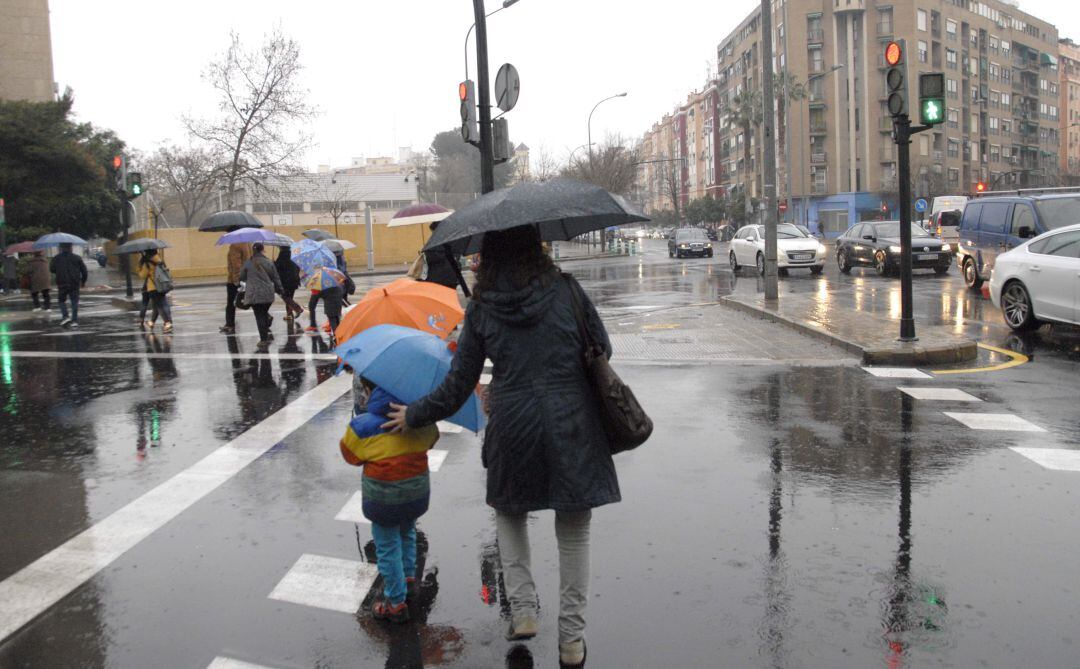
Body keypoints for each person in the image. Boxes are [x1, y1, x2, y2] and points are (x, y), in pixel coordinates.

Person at [382, 226, 618, 667]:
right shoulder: (567, 290)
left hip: (514, 423)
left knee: (510, 513)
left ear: (488, 256)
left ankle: (524, 611)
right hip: (572, 419)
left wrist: (413, 414)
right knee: (574, 528)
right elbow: (602, 346)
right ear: (536, 247)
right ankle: (571, 640)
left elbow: (457, 386)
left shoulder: (484, 307)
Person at [339, 380, 439, 624]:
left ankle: (395, 602)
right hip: (415, 494)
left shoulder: (363, 426)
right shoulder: (421, 421)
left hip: (383, 498)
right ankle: (407, 577)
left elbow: (350, 456)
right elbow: (433, 438)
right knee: (407, 531)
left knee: (387, 546)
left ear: (370, 392)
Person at [238, 242, 283, 350]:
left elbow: (242, 277)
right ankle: (267, 319)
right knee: (263, 313)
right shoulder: (268, 262)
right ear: (263, 250)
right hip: (268, 293)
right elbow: (275, 277)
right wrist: (280, 289)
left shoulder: (248, 263)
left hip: (254, 294)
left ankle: (263, 339)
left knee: (259, 316)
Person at [50, 243, 88, 328]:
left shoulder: (56, 258)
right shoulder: (77, 258)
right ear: (71, 248)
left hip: (62, 282)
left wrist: (59, 270)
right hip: (74, 282)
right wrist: (83, 281)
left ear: (61, 248)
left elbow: (52, 269)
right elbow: (84, 271)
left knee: (61, 300)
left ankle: (65, 316)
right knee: (74, 301)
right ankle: (74, 321)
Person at [136, 250, 173, 333]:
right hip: (162, 285)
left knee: (160, 306)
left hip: (153, 287)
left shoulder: (147, 263)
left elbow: (142, 275)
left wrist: (139, 268)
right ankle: (152, 322)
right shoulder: (160, 260)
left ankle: (168, 323)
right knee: (159, 305)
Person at [220, 242, 251, 334]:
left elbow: (236, 265)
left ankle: (229, 324)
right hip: (247, 275)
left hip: (235, 280)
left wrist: (236, 281)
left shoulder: (235, 246)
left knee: (231, 303)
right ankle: (267, 316)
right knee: (252, 300)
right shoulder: (248, 244)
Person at [274, 246, 303, 321]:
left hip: (285, 283)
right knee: (289, 297)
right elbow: (298, 268)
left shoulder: (280, 260)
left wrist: (274, 263)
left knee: (286, 297)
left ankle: (298, 308)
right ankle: (289, 314)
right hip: (294, 282)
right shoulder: (294, 260)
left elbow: (276, 270)